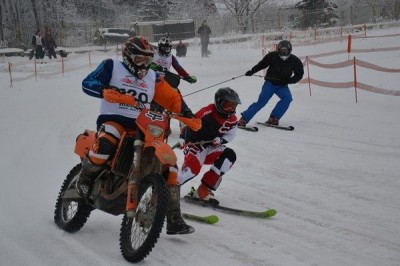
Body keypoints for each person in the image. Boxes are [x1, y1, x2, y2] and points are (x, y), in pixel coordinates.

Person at [78, 36, 196, 235]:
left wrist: (188, 114)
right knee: (107, 143)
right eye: (141, 60)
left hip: (143, 124)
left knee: (170, 166)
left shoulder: (153, 77)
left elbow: (172, 97)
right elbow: (87, 83)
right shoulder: (112, 66)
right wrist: (105, 91)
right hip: (114, 119)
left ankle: (174, 218)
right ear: (129, 56)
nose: (145, 65)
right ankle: (85, 179)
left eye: (149, 60)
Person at [178, 87, 241, 204]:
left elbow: (231, 134)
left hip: (212, 147)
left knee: (229, 156)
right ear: (218, 103)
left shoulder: (232, 120)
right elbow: (189, 124)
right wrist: (182, 138)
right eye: (227, 105)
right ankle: (169, 190)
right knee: (191, 170)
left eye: (233, 106)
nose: (230, 109)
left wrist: (221, 140)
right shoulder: (206, 112)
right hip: (196, 144)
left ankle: (203, 190)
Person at [238, 40, 304, 127]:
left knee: (287, 98)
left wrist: (288, 81)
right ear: (278, 50)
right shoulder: (272, 56)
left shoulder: (295, 60)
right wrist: (252, 71)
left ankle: (274, 118)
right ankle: (244, 119)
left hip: (282, 86)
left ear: (290, 50)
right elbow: (262, 64)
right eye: (282, 50)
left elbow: (299, 75)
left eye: (286, 51)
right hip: (270, 84)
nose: (284, 52)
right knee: (262, 101)